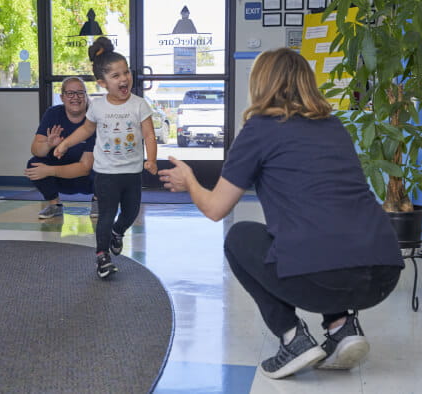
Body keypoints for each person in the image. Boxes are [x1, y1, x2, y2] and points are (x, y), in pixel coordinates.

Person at [159, 48, 404, 379]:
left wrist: (189, 181)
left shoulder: (259, 129)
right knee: (314, 232)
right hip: (384, 273)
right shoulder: (332, 126)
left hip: (325, 278)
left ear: (261, 83)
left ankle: (293, 338)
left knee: (240, 237)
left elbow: (216, 208)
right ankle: (341, 326)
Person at [54, 37, 157, 279]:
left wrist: (151, 159)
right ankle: (102, 256)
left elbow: (149, 135)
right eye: (116, 76)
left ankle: (118, 233)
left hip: (131, 172)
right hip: (105, 173)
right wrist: (66, 143)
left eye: (126, 73)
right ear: (102, 83)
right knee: (106, 214)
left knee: (131, 212)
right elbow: (86, 130)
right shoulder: (98, 107)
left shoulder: (139, 105)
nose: (124, 79)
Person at [25, 76, 98, 219]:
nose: (75, 97)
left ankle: (98, 202)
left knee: (106, 165)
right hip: (61, 177)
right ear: (62, 97)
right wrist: (48, 145)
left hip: (88, 179)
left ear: (85, 96)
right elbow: (35, 149)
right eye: (70, 93)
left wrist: (49, 170)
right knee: (33, 163)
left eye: (80, 93)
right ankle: (54, 205)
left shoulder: (93, 118)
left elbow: (85, 167)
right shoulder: (53, 114)